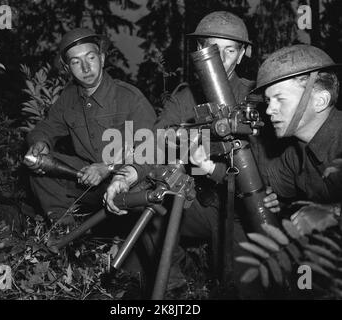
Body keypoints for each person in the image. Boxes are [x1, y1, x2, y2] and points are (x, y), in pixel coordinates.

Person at [104, 12, 279, 297]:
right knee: (143, 190)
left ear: (243, 53)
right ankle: (173, 285)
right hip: (197, 202)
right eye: (212, 49)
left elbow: (280, 161)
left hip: (241, 213)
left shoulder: (258, 98)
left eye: (230, 50)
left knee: (243, 290)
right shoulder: (185, 97)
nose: (220, 59)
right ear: (200, 51)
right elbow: (155, 142)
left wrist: (274, 191)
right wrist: (126, 176)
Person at [24, 28, 156, 224]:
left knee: (153, 246)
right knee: (41, 167)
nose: (86, 68)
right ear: (68, 69)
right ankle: (65, 239)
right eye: (76, 62)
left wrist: (108, 167)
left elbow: (152, 148)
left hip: (131, 181)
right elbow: (47, 128)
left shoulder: (129, 98)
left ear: (102, 59)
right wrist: (40, 143)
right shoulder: (69, 99)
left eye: (91, 57)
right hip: (90, 179)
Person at [194, 44, 342, 205]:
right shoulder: (296, 153)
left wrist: (327, 215)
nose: (270, 110)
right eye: (269, 101)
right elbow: (264, 182)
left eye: (281, 99)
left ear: (320, 101)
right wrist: (208, 166)